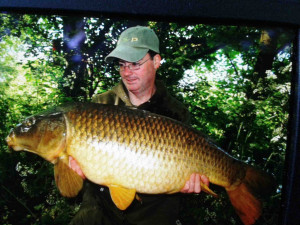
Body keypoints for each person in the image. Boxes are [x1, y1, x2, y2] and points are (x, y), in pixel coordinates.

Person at [69, 26, 209, 225]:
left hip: (152, 218)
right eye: (122, 64)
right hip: (97, 216)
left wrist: (187, 184)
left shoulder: (177, 113)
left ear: (156, 61)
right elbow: (70, 189)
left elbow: (187, 171)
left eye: (135, 63)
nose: (127, 72)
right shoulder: (100, 105)